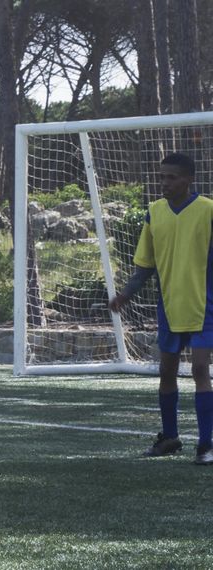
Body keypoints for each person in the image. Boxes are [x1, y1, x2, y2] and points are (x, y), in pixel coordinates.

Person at [109, 152, 213, 465]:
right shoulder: (154, 212)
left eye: (171, 177)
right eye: (162, 176)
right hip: (169, 306)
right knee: (166, 371)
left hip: (205, 306)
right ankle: (170, 437)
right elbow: (144, 266)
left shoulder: (208, 210)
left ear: (188, 179)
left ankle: (206, 445)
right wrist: (125, 294)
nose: (164, 182)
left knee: (199, 369)